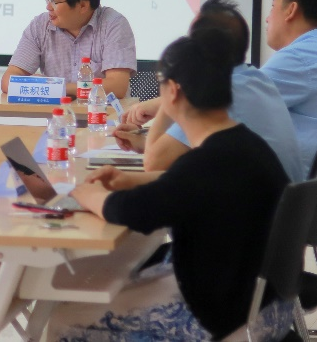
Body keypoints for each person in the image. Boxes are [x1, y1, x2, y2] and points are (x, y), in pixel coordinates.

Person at [56, 29, 293, 341]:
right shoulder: (245, 145)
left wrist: (88, 194)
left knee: (63, 320)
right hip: (269, 305)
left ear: (174, 91)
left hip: (228, 318)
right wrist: (129, 180)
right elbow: (182, 189)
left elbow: (132, 211)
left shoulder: (207, 160)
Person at [116, 0, 304, 181]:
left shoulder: (220, 91)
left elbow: (154, 163)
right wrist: (144, 141)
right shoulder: (256, 80)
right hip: (279, 197)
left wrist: (170, 94)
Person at [1, 0, 137, 98]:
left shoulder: (113, 24)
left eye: (54, 1)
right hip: (58, 112)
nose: (48, 6)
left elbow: (117, 86)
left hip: (102, 111)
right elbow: (8, 81)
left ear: (83, 6)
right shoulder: (40, 26)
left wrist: (57, 87)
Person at [262, 0, 317, 174]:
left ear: (291, 10)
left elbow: (232, 103)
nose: (267, 18)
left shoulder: (299, 57)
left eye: (272, 7)